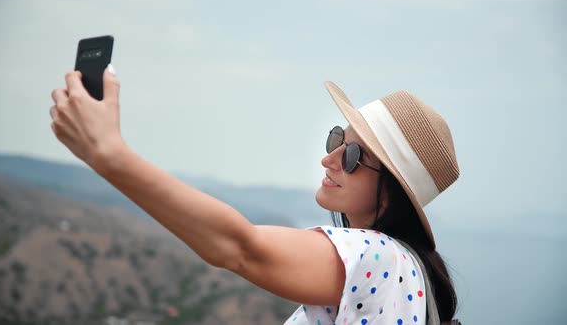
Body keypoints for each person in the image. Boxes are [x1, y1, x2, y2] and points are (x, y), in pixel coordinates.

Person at [50, 65, 461, 325]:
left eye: (353, 155)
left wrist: (109, 155)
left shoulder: (380, 258)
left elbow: (239, 247)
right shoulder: (405, 270)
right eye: (337, 138)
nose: (329, 160)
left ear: (392, 195)